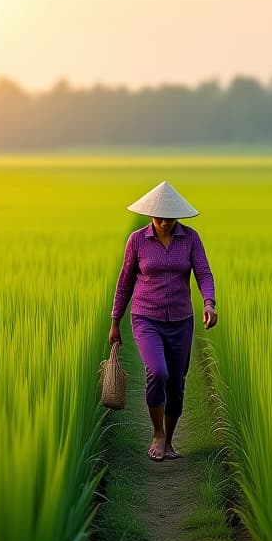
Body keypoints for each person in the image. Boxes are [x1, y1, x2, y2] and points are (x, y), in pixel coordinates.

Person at [109, 181, 218, 461]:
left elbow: (204, 274)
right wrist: (115, 321)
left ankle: (169, 440)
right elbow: (124, 282)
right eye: (158, 217)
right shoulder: (137, 240)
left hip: (181, 320)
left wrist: (209, 303)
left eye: (169, 218)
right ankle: (157, 432)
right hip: (146, 318)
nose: (163, 222)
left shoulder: (191, 238)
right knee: (158, 372)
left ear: (177, 216)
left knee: (177, 383)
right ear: (150, 215)